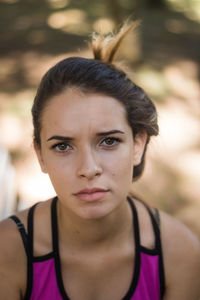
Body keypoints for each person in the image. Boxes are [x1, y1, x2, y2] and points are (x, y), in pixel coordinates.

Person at [0, 22, 200, 300]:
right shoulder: (8, 251)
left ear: (138, 144)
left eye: (109, 141)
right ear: (40, 156)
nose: (89, 169)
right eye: (62, 146)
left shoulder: (179, 253)